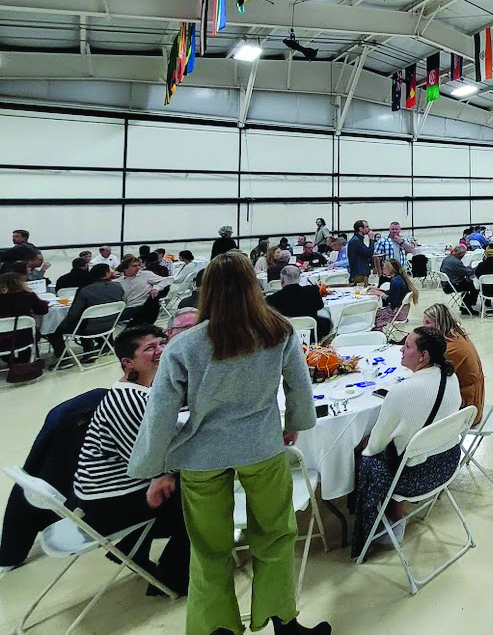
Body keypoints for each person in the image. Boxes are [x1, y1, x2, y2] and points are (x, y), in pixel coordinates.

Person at [127, 252, 327, 635]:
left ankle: (217, 628)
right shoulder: (278, 331)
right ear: (254, 286)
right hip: (261, 447)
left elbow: (161, 411)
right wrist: (295, 424)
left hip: (202, 457)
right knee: (275, 535)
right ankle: (282, 620)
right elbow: (299, 386)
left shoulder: (185, 346)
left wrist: (153, 466)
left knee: (208, 548)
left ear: (206, 292)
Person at [74, 325, 189, 597]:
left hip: (111, 490)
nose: (160, 351)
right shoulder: (128, 399)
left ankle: (134, 546)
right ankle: (171, 578)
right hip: (106, 502)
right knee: (202, 498)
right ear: (128, 362)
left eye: (161, 343)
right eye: (149, 348)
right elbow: (148, 463)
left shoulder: (141, 390)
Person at [352, 327, 462, 558]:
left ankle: (383, 521)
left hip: (415, 478)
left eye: (408, 346)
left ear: (423, 357)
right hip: (449, 461)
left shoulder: (402, 392)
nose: (401, 348)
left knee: (362, 455)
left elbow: (374, 448)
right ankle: (393, 515)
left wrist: (363, 444)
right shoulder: (451, 377)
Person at [422, 304, 484, 424]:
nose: (424, 327)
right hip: (467, 398)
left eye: (428, 322)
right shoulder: (453, 336)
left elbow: (431, 377)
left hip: (467, 408)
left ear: (441, 323)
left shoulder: (452, 348)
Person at [50, 263, 125, 357]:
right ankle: (100, 346)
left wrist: (62, 324)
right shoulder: (117, 286)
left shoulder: (85, 289)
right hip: (109, 325)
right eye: (111, 270)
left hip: (89, 327)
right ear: (106, 274)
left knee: (53, 331)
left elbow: (73, 314)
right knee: (91, 318)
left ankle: (64, 358)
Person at [266, 265, 331, 343]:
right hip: (312, 333)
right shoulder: (313, 291)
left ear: (282, 279)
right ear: (299, 278)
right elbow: (320, 306)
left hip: (286, 336)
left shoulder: (272, 299)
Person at [0, 271, 47, 362]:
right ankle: (27, 361)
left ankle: (8, 359)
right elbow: (42, 310)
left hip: (1, 338)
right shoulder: (28, 296)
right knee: (32, 330)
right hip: (23, 337)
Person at [117, 255, 167, 324]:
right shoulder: (118, 281)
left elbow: (167, 280)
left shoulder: (146, 275)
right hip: (129, 307)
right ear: (125, 268)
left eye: (139, 265)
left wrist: (156, 288)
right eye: (134, 266)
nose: (138, 268)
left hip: (146, 306)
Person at [440, 245, 478, 312]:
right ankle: (467, 306)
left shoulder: (447, 259)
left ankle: (465, 305)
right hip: (453, 285)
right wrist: (476, 268)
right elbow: (467, 272)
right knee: (474, 286)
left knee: (468, 283)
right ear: (460, 254)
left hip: (446, 284)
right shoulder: (456, 262)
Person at [348, 219, 374, 284]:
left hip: (360, 271)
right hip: (360, 272)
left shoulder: (357, 240)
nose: (369, 228)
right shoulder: (356, 241)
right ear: (360, 228)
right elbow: (369, 253)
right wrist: (371, 239)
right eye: (367, 227)